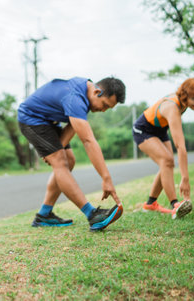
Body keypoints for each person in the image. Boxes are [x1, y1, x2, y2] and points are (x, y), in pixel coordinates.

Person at [18, 77, 125, 231]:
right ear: (97, 91)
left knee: (69, 160)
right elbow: (88, 141)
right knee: (60, 162)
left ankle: (44, 214)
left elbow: (72, 125)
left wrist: (54, 149)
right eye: (104, 105)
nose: (103, 110)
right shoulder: (75, 98)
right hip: (32, 118)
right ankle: (92, 215)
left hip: (50, 121)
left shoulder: (86, 93)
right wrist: (106, 178)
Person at [133, 78, 194, 219]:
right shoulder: (172, 107)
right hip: (143, 130)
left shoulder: (183, 103)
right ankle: (175, 205)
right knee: (166, 160)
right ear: (185, 94)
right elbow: (180, 146)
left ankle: (150, 204)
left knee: (168, 163)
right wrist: (185, 179)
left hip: (160, 130)